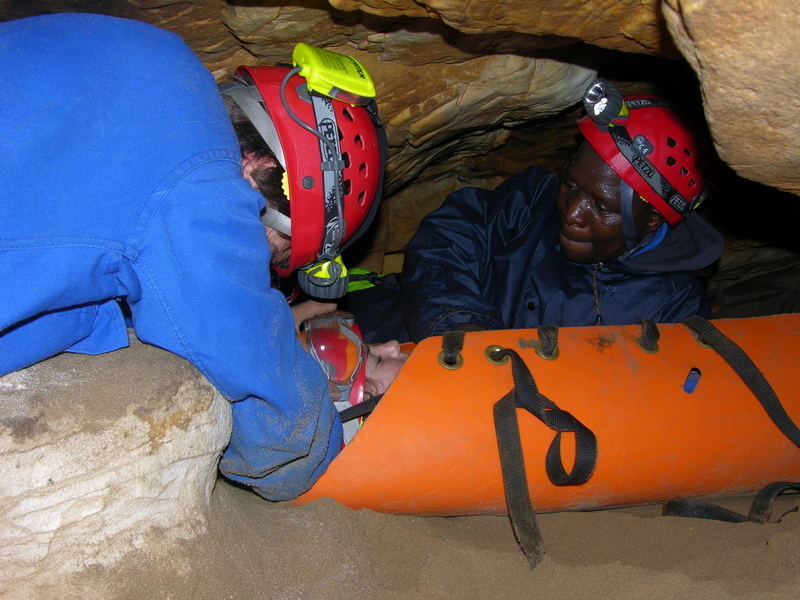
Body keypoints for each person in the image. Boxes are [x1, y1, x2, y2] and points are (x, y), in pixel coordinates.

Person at [0, 13, 388, 501]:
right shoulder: (202, 185)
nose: (257, 266)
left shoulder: (158, 54)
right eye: (272, 250)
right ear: (258, 169)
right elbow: (275, 417)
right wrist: (336, 445)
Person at [345, 80, 724, 343]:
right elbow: (448, 239)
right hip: (396, 341)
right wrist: (461, 331)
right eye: (571, 184)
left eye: (601, 206)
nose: (572, 212)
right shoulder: (532, 200)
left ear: (653, 218)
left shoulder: (673, 305)